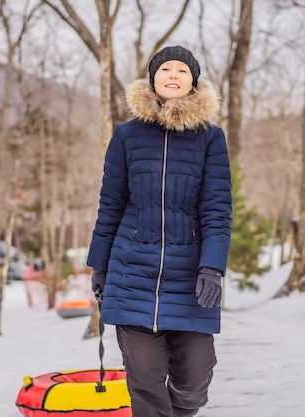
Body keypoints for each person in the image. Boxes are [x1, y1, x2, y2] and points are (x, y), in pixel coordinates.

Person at [87, 45, 232, 417]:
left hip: (190, 279)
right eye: (165, 68)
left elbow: (217, 211)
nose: (173, 75)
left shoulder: (210, 139)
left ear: (193, 82)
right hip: (132, 275)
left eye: (182, 71)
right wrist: (99, 266)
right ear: (152, 78)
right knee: (146, 384)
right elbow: (111, 205)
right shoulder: (126, 136)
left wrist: (213, 267)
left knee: (194, 380)